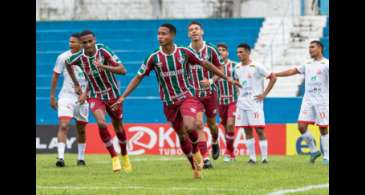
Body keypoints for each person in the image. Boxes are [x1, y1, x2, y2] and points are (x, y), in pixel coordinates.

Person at [113, 23, 234, 179]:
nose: (160, 37)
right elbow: (138, 77)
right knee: (182, 136)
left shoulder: (184, 52)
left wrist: (226, 78)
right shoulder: (153, 57)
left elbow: (205, 63)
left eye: (164, 34)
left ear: (172, 36)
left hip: (187, 97)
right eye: (159, 34)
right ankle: (194, 166)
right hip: (169, 103)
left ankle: (197, 151)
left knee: (192, 126)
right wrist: (123, 96)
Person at [65, 30, 132, 173]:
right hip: (95, 95)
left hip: (113, 95)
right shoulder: (79, 57)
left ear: (94, 40)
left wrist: (103, 66)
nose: (88, 45)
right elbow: (67, 63)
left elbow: (123, 70)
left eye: (90, 41)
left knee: (118, 127)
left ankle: (125, 155)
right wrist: (77, 84)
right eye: (84, 42)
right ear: (81, 44)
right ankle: (114, 157)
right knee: (101, 123)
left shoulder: (103, 51)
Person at [275, 40, 329, 165]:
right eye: (309, 47)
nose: (310, 49)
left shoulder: (326, 64)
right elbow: (292, 71)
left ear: (320, 48)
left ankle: (327, 156)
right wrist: (276, 74)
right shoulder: (307, 63)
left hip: (322, 100)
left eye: (312, 47)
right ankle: (314, 151)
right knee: (301, 126)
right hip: (308, 99)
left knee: (323, 128)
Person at [186, 21, 223, 168]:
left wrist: (212, 81)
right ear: (188, 34)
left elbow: (220, 69)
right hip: (194, 95)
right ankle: (205, 158)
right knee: (199, 124)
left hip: (210, 93)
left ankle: (215, 141)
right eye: (191, 30)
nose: (194, 31)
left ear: (202, 32)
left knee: (213, 125)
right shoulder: (185, 51)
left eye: (196, 29)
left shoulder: (211, 49)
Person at [50, 33, 89, 167]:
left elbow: (94, 78)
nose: (70, 44)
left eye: (73, 42)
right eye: (70, 42)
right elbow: (55, 76)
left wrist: (86, 93)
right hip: (66, 96)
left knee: (81, 129)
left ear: (80, 43)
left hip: (83, 98)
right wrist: (52, 96)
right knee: (64, 125)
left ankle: (81, 158)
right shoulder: (63, 57)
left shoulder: (88, 57)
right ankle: (60, 158)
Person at [234, 43, 277, 164]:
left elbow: (273, 77)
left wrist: (264, 94)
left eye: (241, 52)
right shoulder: (237, 67)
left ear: (248, 52)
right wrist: (239, 94)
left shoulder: (257, 66)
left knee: (259, 130)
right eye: (237, 52)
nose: (239, 54)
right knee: (247, 130)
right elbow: (238, 81)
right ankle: (252, 158)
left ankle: (264, 158)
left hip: (255, 103)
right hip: (242, 103)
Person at [215, 43, 239, 162]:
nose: (221, 52)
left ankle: (228, 152)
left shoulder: (234, 66)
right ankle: (231, 151)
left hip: (232, 101)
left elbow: (240, 82)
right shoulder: (213, 67)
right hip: (220, 102)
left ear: (227, 53)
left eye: (223, 50)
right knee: (225, 127)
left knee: (230, 124)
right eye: (218, 50)